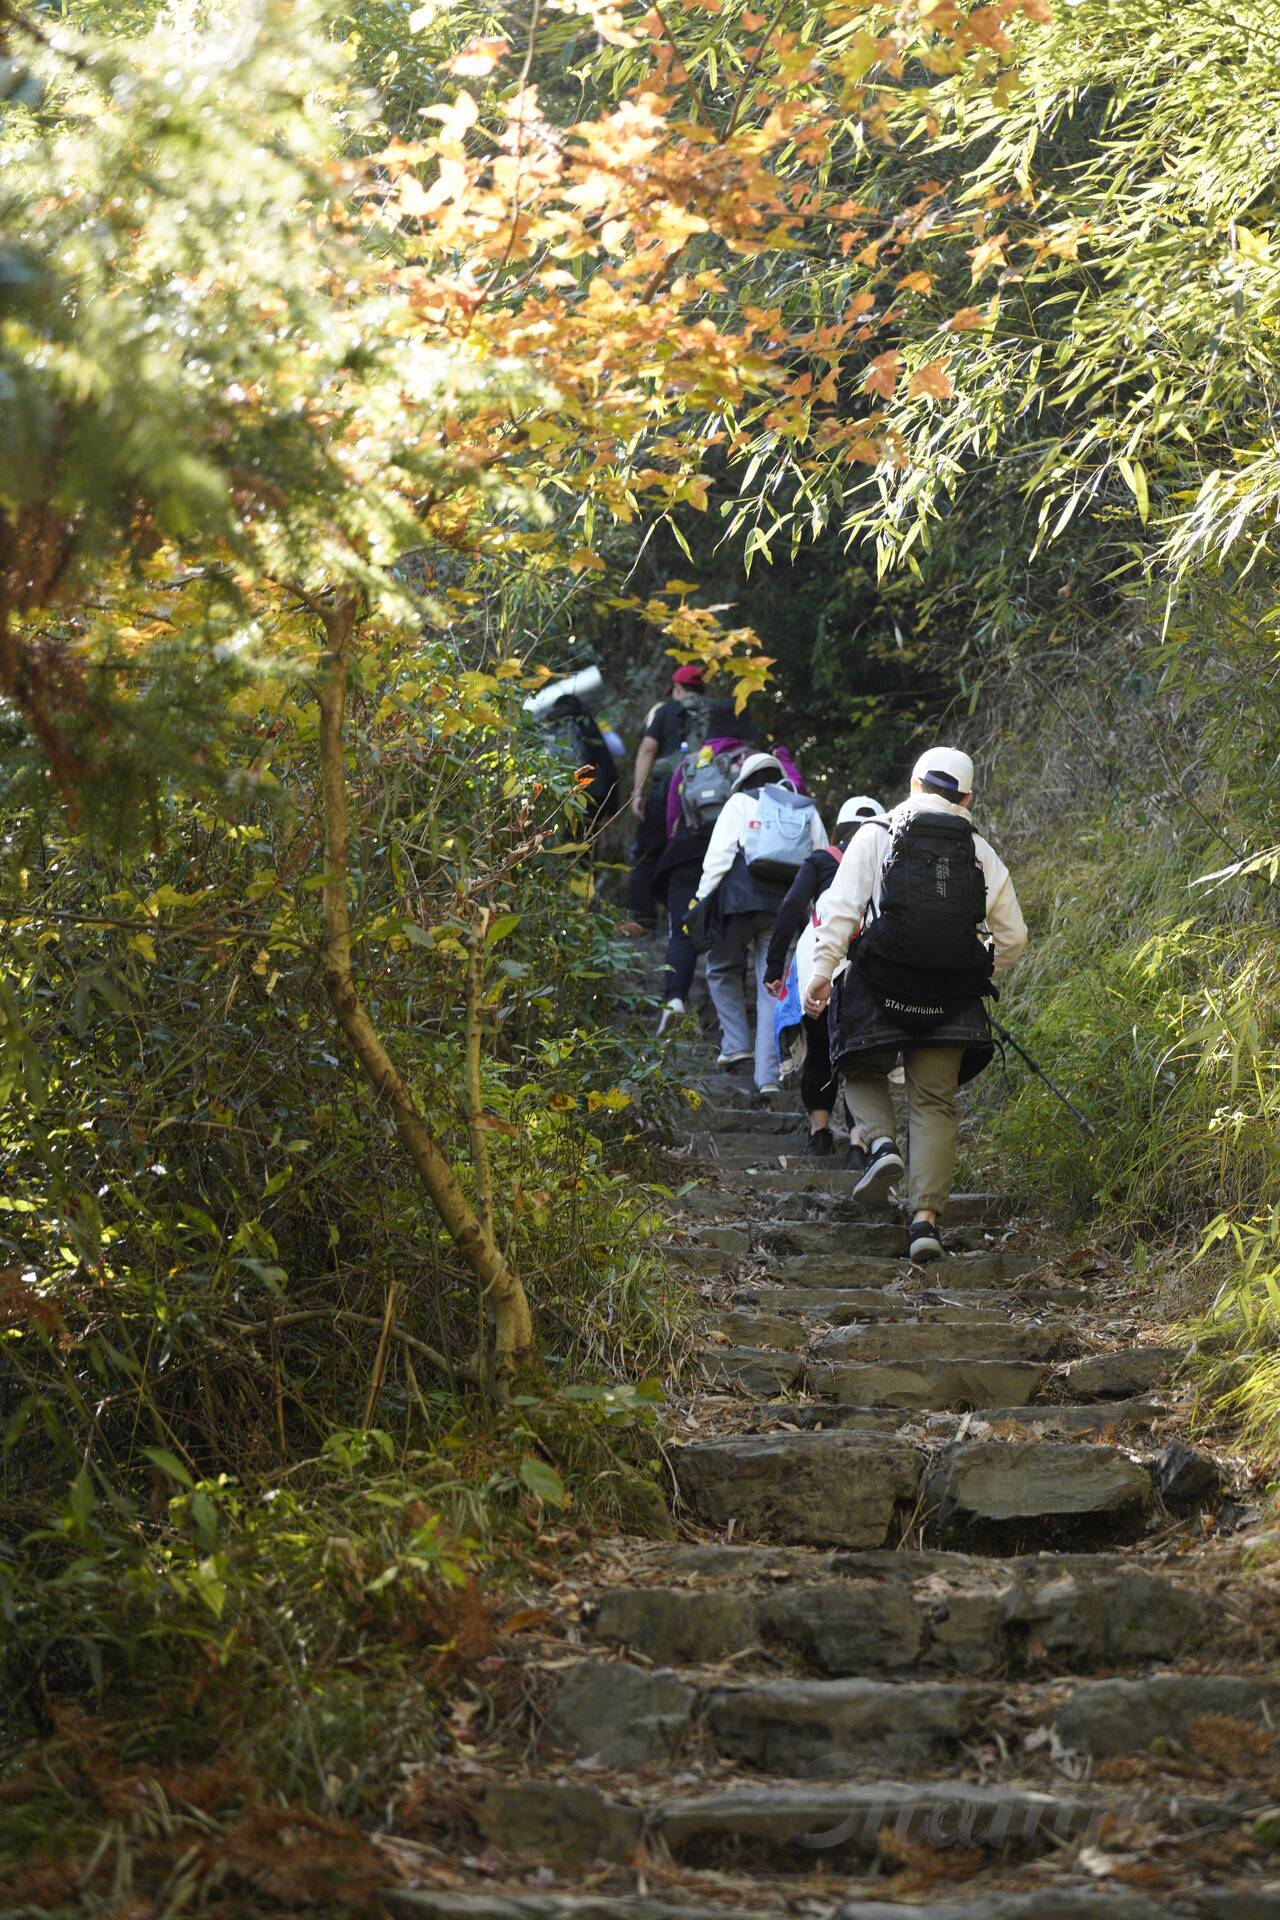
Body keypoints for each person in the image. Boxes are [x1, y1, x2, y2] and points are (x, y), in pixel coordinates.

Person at [803, 748, 1027, 1262]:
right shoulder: (980, 851)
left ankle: (880, 1143)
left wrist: (820, 973)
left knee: (857, 1064)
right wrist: (979, 973)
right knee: (934, 1104)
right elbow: (1012, 938)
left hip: (880, 986)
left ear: (913, 783)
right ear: (968, 798)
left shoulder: (876, 833)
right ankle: (924, 1223)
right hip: (952, 999)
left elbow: (839, 909)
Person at [652, 709, 805, 1038]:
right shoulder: (755, 762)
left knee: (685, 928)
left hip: (687, 854)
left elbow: (672, 818)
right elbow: (794, 793)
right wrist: (784, 758)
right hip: (742, 866)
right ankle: (730, 1023)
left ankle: (676, 999)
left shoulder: (692, 763)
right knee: (735, 937)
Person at [694, 752, 826, 1095]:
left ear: (745, 778)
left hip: (737, 904)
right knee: (773, 987)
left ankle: (736, 1042)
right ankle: (767, 1077)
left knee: (721, 967)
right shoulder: (803, 808)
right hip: (784, 910)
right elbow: (821, 858)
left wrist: (701, 901)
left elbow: (719, 857)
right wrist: (815, 914)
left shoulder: (738, 802)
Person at [765, 795, 885, 1156]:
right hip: (869, 969)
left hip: (819, 964)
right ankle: (857, 1144)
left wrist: (774, 965)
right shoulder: (887, 859)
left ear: (839, 831)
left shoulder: (822, 860)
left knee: (819, 1049)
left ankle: (819, 1135)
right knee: (859, 1058)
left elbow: (790, 907)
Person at [623, 665, 711, 934]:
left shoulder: (664, 711)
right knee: (698, 857)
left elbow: (648, 748)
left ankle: (641, 917)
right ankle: (698, 919)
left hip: (668, 790)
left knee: (647, 853)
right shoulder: (715, 711)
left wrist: (638, 792)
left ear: (678, 688)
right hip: (707, 796)